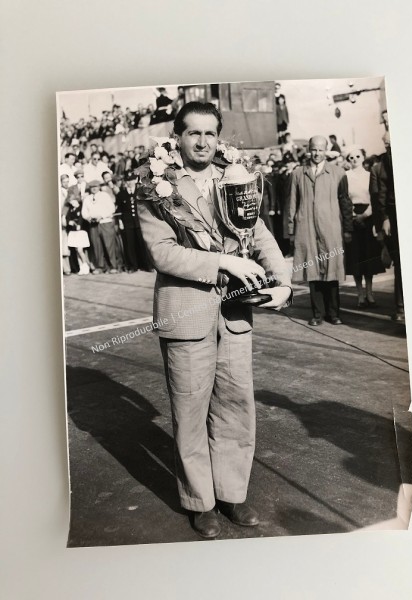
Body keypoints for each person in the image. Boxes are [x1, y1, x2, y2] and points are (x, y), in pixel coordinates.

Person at [137, 102, 292, 539]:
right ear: (178, 136)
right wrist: (223, 261)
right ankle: (200, 502)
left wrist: (283, 283)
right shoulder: (154, 183)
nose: (202, 142)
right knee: (190, 410)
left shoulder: (233, 176)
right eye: (193, 133)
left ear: (218, 137)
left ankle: (231, 493)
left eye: (210, 133)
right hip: (186, 314)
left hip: (235, 315)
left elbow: (260, 234)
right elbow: (162, 252)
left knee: (236, 406)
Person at [289, 135, 353, 325]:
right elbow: (292, 203)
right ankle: (317, 314)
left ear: (326, 150)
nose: (317, 153)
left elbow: (345, 202)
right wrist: (291, 230)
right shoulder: (298, 174)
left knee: (331, 269)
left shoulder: (338, 173)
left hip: (331, 227)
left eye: (320, 149)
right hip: (306, 227)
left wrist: (347, 228)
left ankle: (334, 313)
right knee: (313, 270)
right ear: (309, 150)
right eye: (314, 149)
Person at [344, 146, 384, 307]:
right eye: (351, 157)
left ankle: (369, 292)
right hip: (352, 218)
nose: (354, 160)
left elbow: (374, 198)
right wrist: (353, 215)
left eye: (357, 157)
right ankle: (360, 294)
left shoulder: (369, 175)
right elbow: (344, 198)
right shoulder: (345, 176)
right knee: (356, 258)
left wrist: (365, 215)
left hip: (368, 218)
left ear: (363, 158)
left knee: (368, 257)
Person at [370, 132, 404, 321]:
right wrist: (384, 219)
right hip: (393, 216)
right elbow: (381, 195)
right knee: (399, 262)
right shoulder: (383, 165)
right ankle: (400, 307)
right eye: (387, 145)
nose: (389, 148)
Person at [115, 172, 151, 272]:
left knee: (142, 243)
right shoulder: (121, 194)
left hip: (140, 222)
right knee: (129, 244)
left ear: (135, 180)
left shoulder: (140, 192)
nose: (130, 182)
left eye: (131, 180)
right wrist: (120, 222)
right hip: (127, 222)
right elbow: (119, 210)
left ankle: (146, 265)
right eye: (128, 180)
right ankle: (132, 266)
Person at [81, 181, 118, 274]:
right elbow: (84, 211)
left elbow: (112, 208)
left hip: (105, 222)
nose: (94, 188)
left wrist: (101, 216)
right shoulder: (87, 198)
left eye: (96, 186)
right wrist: (88, 217)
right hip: (93, 224)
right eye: (92, 187)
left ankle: (113, 266)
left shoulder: (104, 195)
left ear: (99, 187)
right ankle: (100, 267)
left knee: (109, 245)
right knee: (97, 246)